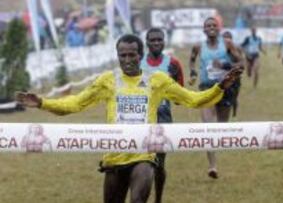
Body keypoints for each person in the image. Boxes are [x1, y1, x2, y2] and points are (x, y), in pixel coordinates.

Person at [16, 34, 242, 203]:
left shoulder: (157, 80)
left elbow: (193, 100)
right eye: (122, 55)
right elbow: (75, 103)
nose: (127, 60)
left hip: (143, 155)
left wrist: (220, 86)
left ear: (140, 55)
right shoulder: (107, 80)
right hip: (114, 157)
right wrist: (42, 103)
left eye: (131, 55)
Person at [188, 17, 243, 179]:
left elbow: (241, 63)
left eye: (214, 25)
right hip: (206, 89)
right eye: (208, 26)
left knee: (222, 127)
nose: (211, 28)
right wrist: (192, 72)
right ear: (204, 30)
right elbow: (191, 61)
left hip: (226, 88)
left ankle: (216, 145)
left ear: (219, 29)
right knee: (207, 128)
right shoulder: (198, 46)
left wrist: (225, 66)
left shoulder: (227, 44)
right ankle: (212, 166)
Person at [141, 27, 184, 203]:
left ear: (164, 41)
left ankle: (158, 199)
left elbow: (179, 98)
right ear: (147, 42)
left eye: (159, 39)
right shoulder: (137, 62)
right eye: (153, 40)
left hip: (163, 117)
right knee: (139, 164)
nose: (156, 43)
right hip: (139, 117)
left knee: (159, 164)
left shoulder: (173, 64)